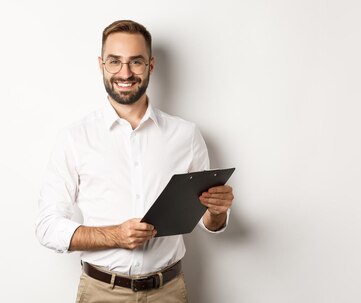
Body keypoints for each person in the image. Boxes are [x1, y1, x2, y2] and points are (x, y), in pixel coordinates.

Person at [35, 20, 234, 303]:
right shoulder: (74, 138)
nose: (125, 73)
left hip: (168, 292)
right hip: (100, 292)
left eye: (136, 62)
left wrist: (217, 212)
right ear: (101, 64)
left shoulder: (186, 135)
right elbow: (47, 226)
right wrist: (114, 235)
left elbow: (207, 221)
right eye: (114, 61)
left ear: (150, 65)